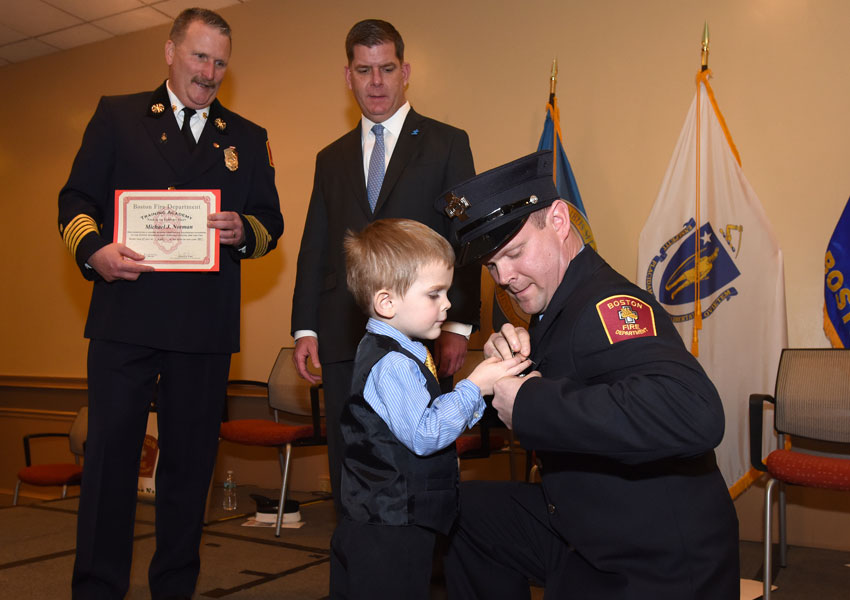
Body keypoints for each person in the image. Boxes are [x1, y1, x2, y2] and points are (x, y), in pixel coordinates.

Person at [438, 151, 740, 599]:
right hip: (586, 523)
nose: (503, 276)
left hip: (654, 558)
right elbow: (576, 392)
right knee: (461, 512)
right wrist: (500, 378)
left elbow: (695, 412)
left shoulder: (608, 306)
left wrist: (529, 402)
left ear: (559, 220)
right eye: (491, 265)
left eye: (515, 253)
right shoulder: (558, 302)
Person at [57, 8, 283, 599]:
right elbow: (74, 201)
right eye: (199, 56)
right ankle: (97, 590)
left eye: (219, 62)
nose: (209, 72)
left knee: (187, 476)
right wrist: (95, 251)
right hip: (124, 319)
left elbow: (271, 224)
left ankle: (174, 590)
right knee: (108, 468)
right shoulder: (119, 115)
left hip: (203, 330)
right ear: (170, 51)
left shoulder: (247, 137)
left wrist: (244, 231)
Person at [291, 19, 480, 509]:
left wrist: (458, 323)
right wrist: (304, 328)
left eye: (387, 69)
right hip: (340, 330)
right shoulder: (329, 158)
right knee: (347, 461)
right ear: (348, 76)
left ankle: (421, 573)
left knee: (415, 460)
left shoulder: (446, 142)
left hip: (421, 332)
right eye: (364, 69)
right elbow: (316, 245)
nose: (376, 81)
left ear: (405, 72)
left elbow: (466, 241)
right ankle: (354, 569)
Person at [330, 219, 528, 599]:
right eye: (434, 294)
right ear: (386, 302)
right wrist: (475, 387)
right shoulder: (394, 362)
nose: (448, 304)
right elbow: (424, 434)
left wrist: (477, 394)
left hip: (383, 521)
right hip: (391, 525)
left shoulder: (397, 349)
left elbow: (424, 414)